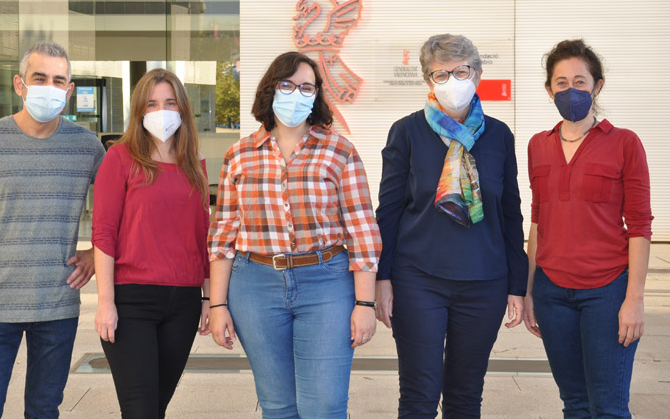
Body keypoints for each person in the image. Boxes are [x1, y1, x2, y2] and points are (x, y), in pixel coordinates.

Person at [208, 51, 382, 419]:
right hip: (254, 286)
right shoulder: (239, 155)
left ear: (317, 95)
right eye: (287, 85)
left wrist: (365, 304)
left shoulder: (339, 150)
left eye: (306, 87)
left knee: (323, 406)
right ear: (270, 90)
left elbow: (362, 230)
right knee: (277, 406)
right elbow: (223, 235)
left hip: (326, 283)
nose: (296, 94)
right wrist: (218, 304)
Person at [375, 34, 527, 418]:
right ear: (428, 81)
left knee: (464, 396)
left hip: (485, 283)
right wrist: (382, 277)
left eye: (461, 71)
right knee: (419, 396)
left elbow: (510, 211)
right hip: (418, 280)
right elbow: (389, 211)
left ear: (477, 74)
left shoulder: (498, 136)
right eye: (440, 74)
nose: (452, 81)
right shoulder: (407, 132)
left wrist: (517, 284)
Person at [0, 41, 105, 418]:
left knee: (44, 409)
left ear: (70, 91)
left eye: (59, 80)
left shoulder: (87, 147)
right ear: (20, 84)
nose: (50, 87)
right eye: (40, 78)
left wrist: (92, 253)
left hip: (57, 303)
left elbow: (117, 212)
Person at [523, 39, 652, 418]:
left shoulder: (625, 143)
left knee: (608, 406)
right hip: (551, 293)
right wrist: (530, 290)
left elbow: (640, 227)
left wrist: (634, 299)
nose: (571, 90)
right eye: (561, 83)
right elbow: (537, 220)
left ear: (597, 86)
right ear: (549, 91)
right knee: (574, 403)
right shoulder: (537, 146)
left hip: (607, 292)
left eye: (580, 81)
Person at [92, 68, 211, 419]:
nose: (162, 111)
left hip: (183, 305)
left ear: (183, 110)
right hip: (132, 303)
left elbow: (203, 237)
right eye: (152, 103)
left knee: (155, 408)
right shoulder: (120, 158)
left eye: (170, 103)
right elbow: (103, 232)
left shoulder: (195, 166)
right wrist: (105, 302)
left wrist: (207, 298)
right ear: (140, 111)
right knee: (140, 411)